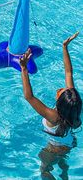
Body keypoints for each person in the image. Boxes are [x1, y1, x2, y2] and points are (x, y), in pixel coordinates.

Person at [19, 32, 82, 180]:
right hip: (70, 143)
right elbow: (68, 73)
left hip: (54, 149)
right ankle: (65, 175)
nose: (61, 89)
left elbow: (29, 97)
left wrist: (23, 69)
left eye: (61, 92)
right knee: (63, 162)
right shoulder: (75, 108)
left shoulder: (53, 116)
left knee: (45, 171)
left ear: (59, 104)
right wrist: (64, 47)